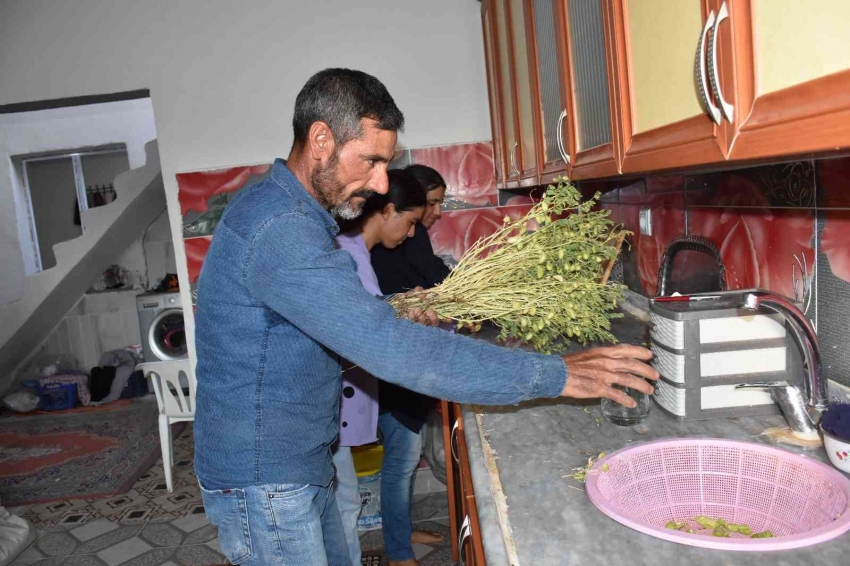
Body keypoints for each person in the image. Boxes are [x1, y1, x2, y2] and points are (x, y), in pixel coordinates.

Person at [193, 68, 658, 566]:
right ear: (321, 139)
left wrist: (390, 320)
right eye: (372, 161)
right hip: (266, 478)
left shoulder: (288, 212)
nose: (379, 183)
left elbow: (300, 337)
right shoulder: (281, 227)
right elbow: (388, 350)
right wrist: (561, 374)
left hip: (294, 460)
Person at [332, 168, 428, 566]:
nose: (409, 234)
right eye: (409, 223)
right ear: (388, 210)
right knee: (342, 507)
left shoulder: (357, 251)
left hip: (329, 403)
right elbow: (367, 335)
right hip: (320, 404)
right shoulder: (350, 253)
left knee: (345, 502)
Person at [371, 164, 451, 563]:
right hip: (394, 371)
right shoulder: (397, 241)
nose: (431, 217)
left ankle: (400, 532)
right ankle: (399, 551)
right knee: (401, 461)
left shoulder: (403, 237)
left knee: (402, 458)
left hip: (401, 365)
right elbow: (436, 282)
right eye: (430, 204)